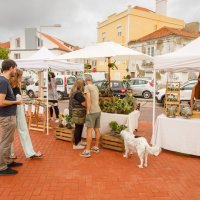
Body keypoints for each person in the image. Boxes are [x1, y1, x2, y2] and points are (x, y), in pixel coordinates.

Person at [9, 69, 43, 159]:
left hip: (12, 110)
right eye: (21, 76)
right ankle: (29, 152)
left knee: (11, 133)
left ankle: (12, 153)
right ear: (18, 77)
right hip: (16, 109)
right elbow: (17, 99)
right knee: (22, 130)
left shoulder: (12, 85)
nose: (22, 78)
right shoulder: (13, 86)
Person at [0, 59, 22, 176]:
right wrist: (16, 102)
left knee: (8, 141)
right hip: (6, 116)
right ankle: (2, 167)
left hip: (8, 116)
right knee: (5, 141)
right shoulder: (3, 81)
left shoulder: (4, 81)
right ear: (11, 68)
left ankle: (7, 161)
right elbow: (1, 102)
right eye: (14, 68)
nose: (15, 71)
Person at [80, 74, 101, 158]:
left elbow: (88, 99)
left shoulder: (87, 87)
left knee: (89, 131)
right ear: (91, 80)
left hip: (91, 111)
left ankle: (87, 151)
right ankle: (96, 147)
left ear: (85, 81)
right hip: (98, 110)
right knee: (97, 129)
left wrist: (87, 110)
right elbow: (97, 99)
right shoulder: (95, 87)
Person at [69, 79, 86, 150]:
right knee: (78, 128)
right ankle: (76, 144)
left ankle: (79, 141)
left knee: (79, 127)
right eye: (84, 84)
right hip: (78, 112)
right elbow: (84, 103)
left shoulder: (74, 92)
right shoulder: (78, 93)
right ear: (81, 85)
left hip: (76, 111)